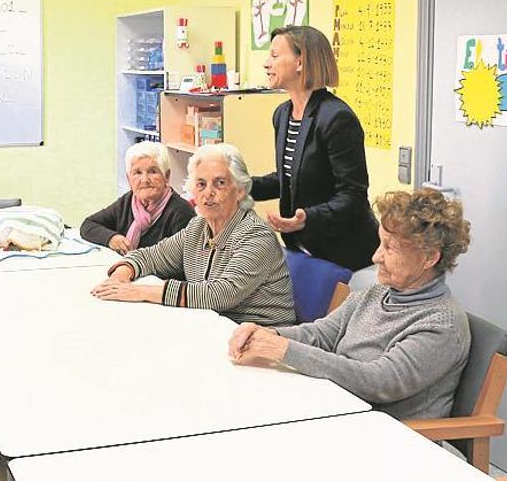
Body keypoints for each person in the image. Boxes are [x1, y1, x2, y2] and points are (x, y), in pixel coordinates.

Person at [228, 189, 472, 420]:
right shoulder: (377, 293)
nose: (376, 257)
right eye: (381, 243)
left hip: (390, 437)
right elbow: (320, 334)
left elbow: (379, 383)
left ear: (429, 257)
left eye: (390, 248)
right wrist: (270, 334)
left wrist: (284, 349)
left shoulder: (442, 325)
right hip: (338, 408)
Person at [92, 143, 295, 327]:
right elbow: (150, 256)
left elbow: (221, 294)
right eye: (201, 184)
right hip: (212, 328)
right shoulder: (197, 228)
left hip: (261, 339)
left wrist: (142, 292)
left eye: (220, 183)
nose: (208, 193)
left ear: (240, 190)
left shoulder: (255, 235)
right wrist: (121, 276)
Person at [252, 25, 379, 272]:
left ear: (300, 62)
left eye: (275, 56)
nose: (267, 63)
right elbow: (287, 178)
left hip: (344, 250)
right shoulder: (283, 115)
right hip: (304, 246)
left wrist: (307, 218)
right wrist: (240, 186)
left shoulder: (337, 118)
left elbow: (352, 195)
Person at [81, 140, 194, 254]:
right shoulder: (128, 201)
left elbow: (179, 260)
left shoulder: (181, 211)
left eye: (152, 171)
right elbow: (88, 225)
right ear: (129, 179)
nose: (145, 180)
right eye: (137, 173)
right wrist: (112, 239)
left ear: (166, 176)